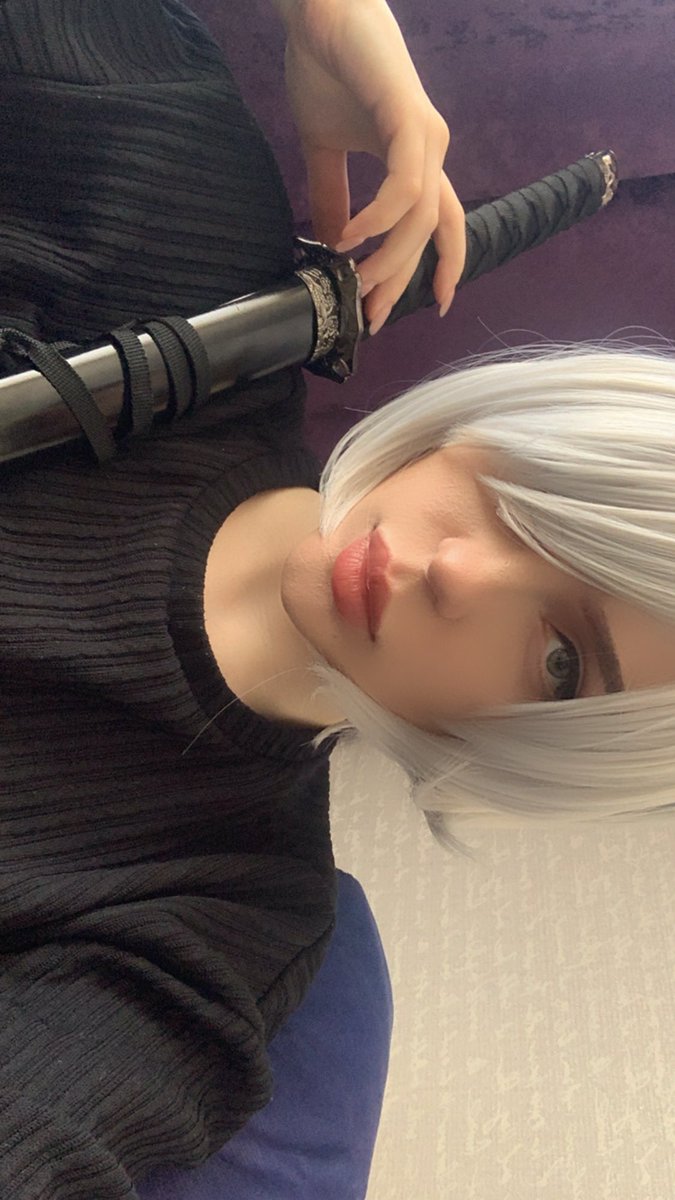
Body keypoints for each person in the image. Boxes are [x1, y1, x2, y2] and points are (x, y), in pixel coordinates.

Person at [1, 1, 675, 1197]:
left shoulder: (223, 930)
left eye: (561, 661)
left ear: (534, 750)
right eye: (534, 501)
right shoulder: (181, 210)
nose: (458, 573)